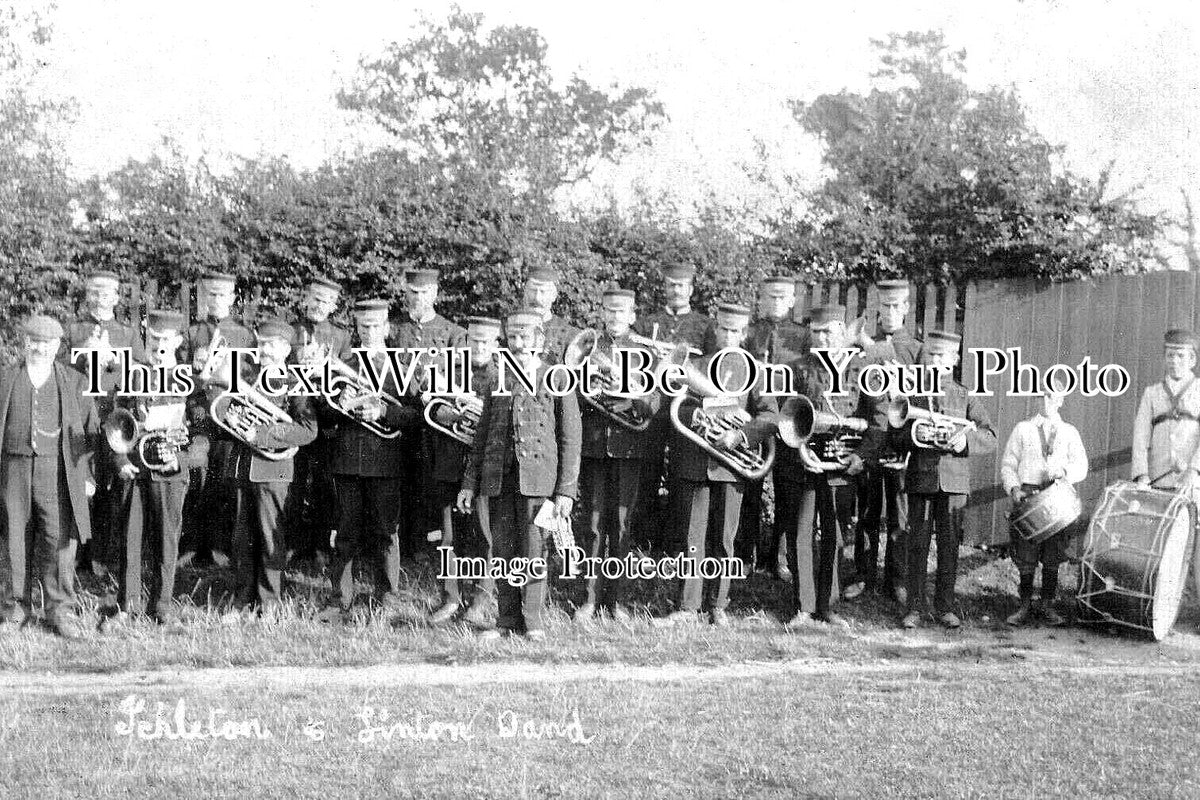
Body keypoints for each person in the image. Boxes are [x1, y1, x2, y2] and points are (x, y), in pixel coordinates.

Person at [457, 308, 582, 642]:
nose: (518, 343)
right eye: (512, 336)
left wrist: (566, 491)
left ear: (539, 340)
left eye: (525, 336)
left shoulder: (556, 377)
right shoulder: (498, 378)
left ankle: (533, 621)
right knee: (503, 551)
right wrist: (470, 482)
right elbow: (482, 435)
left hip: (540, 481)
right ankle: (506, 619)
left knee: (534, 550)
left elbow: (571, 437)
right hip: (499, 479)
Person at [657, 303, 778, 627]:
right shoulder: (693, 365)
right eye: (723, 329)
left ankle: (718, 605)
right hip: (694, 463)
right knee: (690, 537)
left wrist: (740, 435)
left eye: (735, 330)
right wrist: (693, 415)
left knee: (725, 539)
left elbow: (769, 417)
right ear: (715, 330)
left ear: (744, 334)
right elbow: (673, 404)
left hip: (731, 467)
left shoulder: (755, 373)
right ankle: (686, 606)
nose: (728, 335)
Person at [103, 310, 209, 629]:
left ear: (178, 342)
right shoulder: (134, 376)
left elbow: (204, 432)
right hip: (134, 469)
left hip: (170, 470)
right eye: (155, 338)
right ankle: (126, 606)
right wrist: (120, 459)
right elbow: (114, 420)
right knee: (130, 538)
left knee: (167, 541)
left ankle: (161, 606)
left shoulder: (191, 382)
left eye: (167, 339)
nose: (160, 344)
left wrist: (184, 460)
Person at [317, 300, 418, 621]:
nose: (370, 332)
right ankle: (339, 601)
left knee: (386, 533)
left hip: (386, 463)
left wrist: (385, 411)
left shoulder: (402, 368)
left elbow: (417, 415)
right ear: (357, 330)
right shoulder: (343, 363)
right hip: (347, 462)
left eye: (376, 326)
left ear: (387, 328)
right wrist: (338, 406)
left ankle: (387, 598)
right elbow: (321, 412)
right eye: (364, 327)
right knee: (344, 534)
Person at [0, 315, 100, 638]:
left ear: (57, 346)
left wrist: (87, 475)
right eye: (34, 341)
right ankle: (16, 607)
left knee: (59, 539)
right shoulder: (5, 379)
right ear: (24, 342)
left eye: (46, 343)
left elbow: (91, 433)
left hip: (56, 470)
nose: (39, 348)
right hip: (13, 469)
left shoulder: (74, 381)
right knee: (15, 536)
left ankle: (59, 610)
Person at [892, 330, 996, 630]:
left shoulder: (965, 396)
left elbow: (989, 436)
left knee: (949, 546)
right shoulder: (912, 395)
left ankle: (945, 607)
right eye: (931, 355)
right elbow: (894, 435)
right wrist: (914, 437)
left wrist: (964, 444)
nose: (935, 360)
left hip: (954, 482)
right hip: (921, 481)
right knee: (917, 544)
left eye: (942, 355)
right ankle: (914, 607)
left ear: (954, 359)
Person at [220, 318, 317, 612]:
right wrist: (231, 418)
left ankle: (269, 604)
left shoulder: (294, 383)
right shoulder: (246, 377)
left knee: (268, 537)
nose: (264, 349)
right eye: (261, 343)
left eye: (271, 345)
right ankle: (241, 600)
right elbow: (224, 412)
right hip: (240, 468)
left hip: (273, 470)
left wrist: (262, 434)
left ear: (286, 349)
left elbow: (307, 430)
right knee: (241, 540)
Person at [574, 288, 659, 623]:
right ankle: (589, 599)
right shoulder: (587, 347)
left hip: (628, 444)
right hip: (595, 445)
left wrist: (637, 395)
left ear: (633, 315)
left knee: (621, 525)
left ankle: (618, 601)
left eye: (621, 311)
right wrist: (588, 388)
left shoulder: (645, 352)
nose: (614, 317)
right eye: (609, 311)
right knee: (593, 524)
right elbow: (573, 394)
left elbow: (654, 402)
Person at [781, 305, 868, 629]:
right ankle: (802, 606)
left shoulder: (861, 370)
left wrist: (860, 457)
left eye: (829, 331)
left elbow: (876, 421)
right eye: (816, 332)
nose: (822, 338)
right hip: (801, 463)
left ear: (843, 333)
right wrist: (801, 449)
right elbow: (785, 416)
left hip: (840, 468)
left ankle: (828, 606)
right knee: (800, 534)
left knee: (835, 536)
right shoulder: (796, 368)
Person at [64, 270, 143, 577]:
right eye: (94, 292)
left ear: (116, 297)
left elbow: (143, 372)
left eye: (106, 293)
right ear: (88, 296)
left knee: (110, 485)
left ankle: (102, 557)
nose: (100, 298)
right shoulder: (74, 331)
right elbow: (59, 371)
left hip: (115, 416)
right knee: (81, 480)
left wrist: (114, 359)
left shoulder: (128, 333)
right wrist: (84, 355)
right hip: (81, 417)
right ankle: (77, 554)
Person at [849, 279, 922, 604]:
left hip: (902, 444)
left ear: (905, 308)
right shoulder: (866, 348)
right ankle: (863, 575)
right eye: (885, 307)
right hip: (871, 439)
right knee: (867, 512)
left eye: (896, 306)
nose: (890, 313)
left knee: (899, 516)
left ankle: (898, 579)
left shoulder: (918, 350)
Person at [426, 316, 500, 628]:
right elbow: (430, 406)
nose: (479, 346)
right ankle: (450, 597)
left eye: (486, 341)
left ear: (496, 343)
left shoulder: (503, 375)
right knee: (447, 535)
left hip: (484, 468)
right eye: (474, 340)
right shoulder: (448, 370)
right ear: (466, 341)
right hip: (450, 461)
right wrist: (445, 412)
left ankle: (482, 600)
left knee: (485, 535)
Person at [631, 264, 710, 554]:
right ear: (663, 288)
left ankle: (676, 544)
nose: (676, 290)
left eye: (682, 285)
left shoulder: (705, 325)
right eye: (671, 285)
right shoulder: (645, 323)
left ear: (691, 288)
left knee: (682, 474)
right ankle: (644, 541)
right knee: (647, 472)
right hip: (653, 406)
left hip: (686, 408)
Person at [390, 268, 467, 562]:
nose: (418, 298)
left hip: (438, 421)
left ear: (434, 294)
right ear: (405, 292)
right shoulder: (394, 331)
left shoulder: (453, 333)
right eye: (413, 292)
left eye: (424, 293)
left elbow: (460, 377)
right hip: (403, 417)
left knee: (437, 482)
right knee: (404, 481)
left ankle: (442, 545)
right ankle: (410, 546)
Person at [737, 275, 809, 579]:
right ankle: (745, 554)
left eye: (782, 297)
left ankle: (779, 558)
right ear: (761, 300)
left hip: (790, 420)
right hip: (756, 419)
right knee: (748, 487)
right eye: (770, 297)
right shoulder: (750, 332)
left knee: (787, 490)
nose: (776, 302)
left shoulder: (804, 336)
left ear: (792, 301)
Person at [182, 270, 255, 567]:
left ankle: (220, 546)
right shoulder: (191, 332)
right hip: (199, 418)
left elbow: (250, 378)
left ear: (232, 297)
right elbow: (179, 377)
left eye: (222, 294)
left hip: (229, 419)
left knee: (226, 480)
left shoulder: (244, 335)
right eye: (210, 294)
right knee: (197, 478)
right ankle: (192, 544)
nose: (215, 300)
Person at [1000, 386, 1087, 627]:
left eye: (1051, 396)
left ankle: (1048, 605)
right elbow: (1008, 464)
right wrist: (1014, 488)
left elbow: (1081, 464)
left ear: (1061, 400)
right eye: (1042, 395)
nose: (1046, 400)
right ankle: (1025, 605)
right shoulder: (1023, 429)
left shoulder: (1069, 432)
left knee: (1053, 555)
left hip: (1056, 499)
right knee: (1026, 556)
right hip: (1028, 498)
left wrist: (1064, 471)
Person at [288, 276, 352, 567]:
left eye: (326, 301)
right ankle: (293, 543)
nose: (319, 305)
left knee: (325, 485)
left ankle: (320, 545)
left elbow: (348, 376)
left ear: (334, 305)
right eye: (315, 299)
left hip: (326, 419)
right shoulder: (289, 330)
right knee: (293, 482)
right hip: (294, 417)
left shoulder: (339, 336)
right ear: (306, 298)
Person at [1131, 329, 1200, 496]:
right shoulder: (1152, 393)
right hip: (1158, 481)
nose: (1174, 361)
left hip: (1193, 484)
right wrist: (1142, 475)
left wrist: (1194, 471)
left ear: (1192, 360)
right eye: (1170, 355)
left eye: (1180, 356)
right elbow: (1140, 437)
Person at [521, 267, 580, 365]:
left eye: (543, 292)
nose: (536, 298)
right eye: (532, 290)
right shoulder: (507, 328)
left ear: (553, 296)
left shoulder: (570, 335)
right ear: (525, 292)